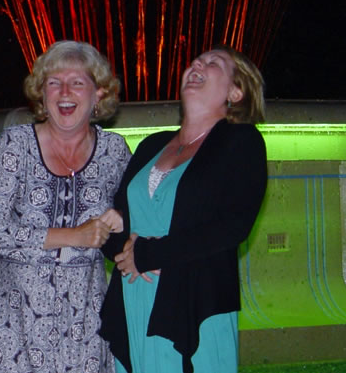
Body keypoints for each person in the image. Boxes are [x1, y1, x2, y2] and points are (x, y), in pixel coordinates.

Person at [100, 45, 268, 373]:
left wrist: (149, 255)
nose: (197, 64)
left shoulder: (241, 142)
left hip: (195, 304)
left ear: (236, 91)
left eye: (213, 63)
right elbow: (117, 220)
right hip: (134, 300)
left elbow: (233, 226)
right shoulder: (152, 144)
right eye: (196, 61)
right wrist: (123, 249)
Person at [0, 40, 131, 373]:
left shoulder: (115, 152)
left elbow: (134, 214)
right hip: (14, 320)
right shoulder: (15, 144)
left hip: (86, 320)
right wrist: (73, 236)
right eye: (54, 83)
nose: (64, 92)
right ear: (42, 93)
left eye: (77, 82)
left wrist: (125, 220)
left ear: (99, 93)